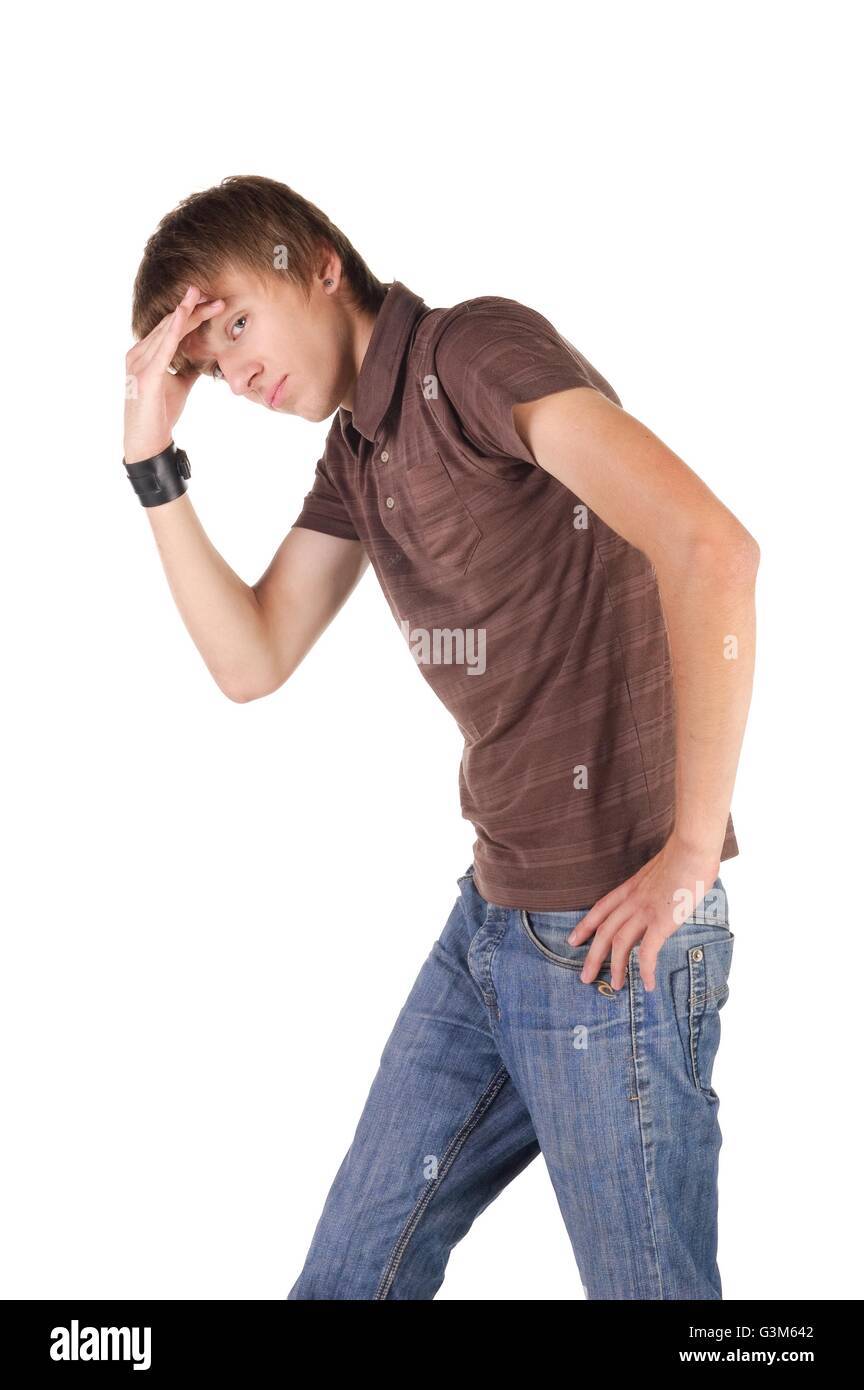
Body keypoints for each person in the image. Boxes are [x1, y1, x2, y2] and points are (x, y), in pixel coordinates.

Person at [125, 174, 759, 1300]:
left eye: (234, 320)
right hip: (493, 925)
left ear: (318, 262)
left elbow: (711, 548)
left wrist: (692, 857)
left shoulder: (471, 355)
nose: (238, 370)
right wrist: (151, 466)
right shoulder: (358, 456)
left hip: (612, 938)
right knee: (348, 1280)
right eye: (210, 366)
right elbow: (252, 659)